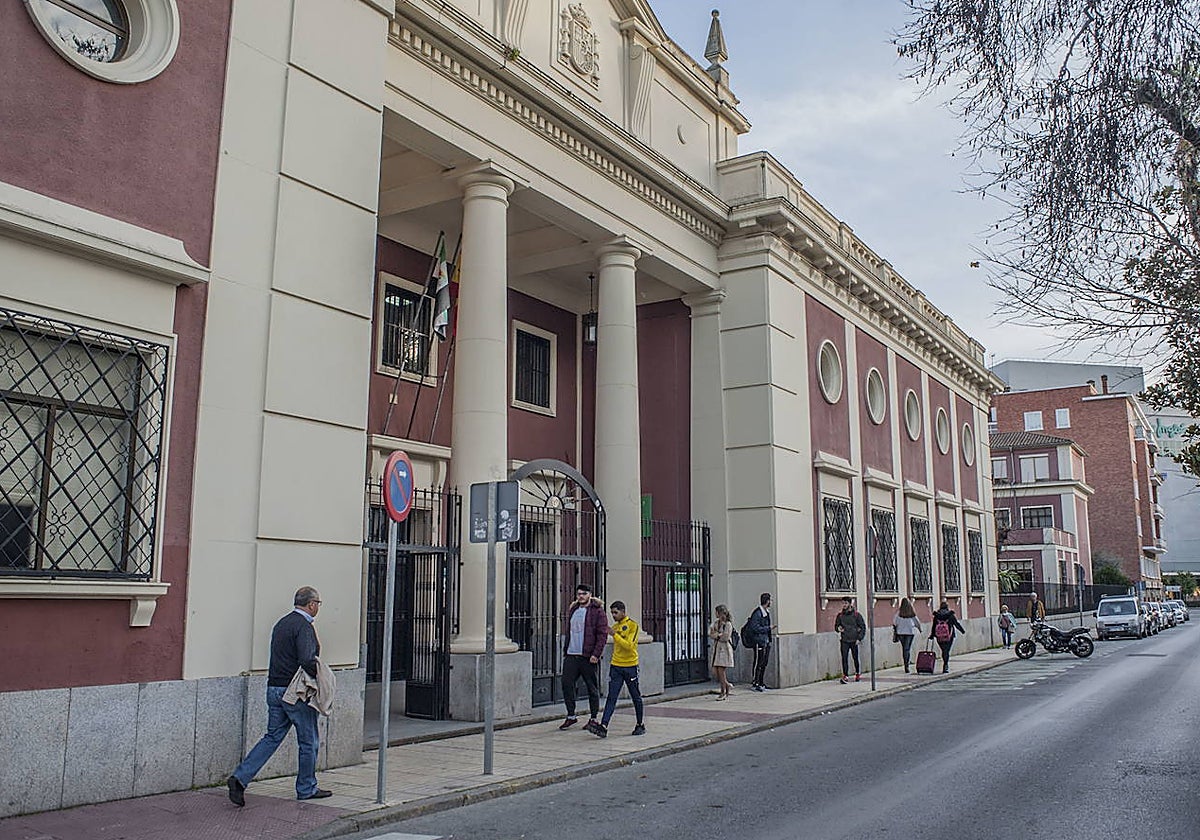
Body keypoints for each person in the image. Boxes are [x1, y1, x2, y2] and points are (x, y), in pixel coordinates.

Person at [228, 587, 331, 805]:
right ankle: (306, 788)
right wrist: (321, 676)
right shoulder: (304, 626)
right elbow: (306, 659)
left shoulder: (282, 623)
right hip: (294, 692)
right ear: (312, 604)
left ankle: (240, 778)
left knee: (272, 737)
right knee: (309, 741)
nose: (318, 608)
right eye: (318, 604)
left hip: (274, 688)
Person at [592, 601, 645, 738]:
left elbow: (629, 646)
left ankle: (640, 724)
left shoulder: (633, 626)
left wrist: (615, 635)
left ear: (623, 611)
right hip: (616, 666)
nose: (613, 616)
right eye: (612, 613)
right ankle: (604, 725)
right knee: (612, 696)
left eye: (616, 612)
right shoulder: (615, 627)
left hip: (630, 666)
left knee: (635, 696)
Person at [559, 583, 608, 732]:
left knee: (591, 687)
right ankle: (571, 715)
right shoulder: (573, 609)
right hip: (572, 654)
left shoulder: (597, 611)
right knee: (567, 684)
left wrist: (596, 654)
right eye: (579, 594)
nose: (581, 596)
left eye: (584, 594)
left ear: (590, 595)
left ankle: (593, 718)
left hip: (587, 656)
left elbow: (602, 634)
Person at [745, 593, 774, 692]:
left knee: (764, 662)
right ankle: (755, 682)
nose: (771, 602)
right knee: (758, 661)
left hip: (765, 641)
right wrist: (768, 628)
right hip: (759, 641)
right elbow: (755, 628)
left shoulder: (766, 612)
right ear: (767, 601)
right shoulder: (757, 613)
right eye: (770, 600)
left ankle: (761, 682)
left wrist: (769, 640)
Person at [929, 600, 967, 674]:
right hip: (949, 636)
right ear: (947, 607)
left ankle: (945, 662)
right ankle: (945, 665)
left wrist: (932, 635)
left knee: (943, 650)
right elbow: (956, 624)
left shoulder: (936, 616)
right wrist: (962, 630)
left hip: (939, 636)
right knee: (947, 650)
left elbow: (934, 627)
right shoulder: (950, 615)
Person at [834, 597, 866, 683]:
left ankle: (857, 673)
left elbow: (862, 627)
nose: (844, 605)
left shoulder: (856, 615)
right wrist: (838, 628)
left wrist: (859, 638)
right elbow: (836, 626)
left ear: (850, 604)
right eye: (843, 603)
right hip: (844, 640)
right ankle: (845, 675)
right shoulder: (840, 616)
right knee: (844, 658)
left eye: (845, 603)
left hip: (854, 640)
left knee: (855, 657)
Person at [708, 604, 735, 700]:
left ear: (720, 613)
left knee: (721, 671)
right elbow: (711, 633)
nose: (715, 614)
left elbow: (726, 637)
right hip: (717, 649)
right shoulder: (716, 623)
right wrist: (718, 635)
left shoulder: (728, 624)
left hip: (724, 650)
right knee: (715, 671)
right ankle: (727, 685)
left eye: (716, 612)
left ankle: (723, 691)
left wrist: (718, 635)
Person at [892, 597, 922, 673]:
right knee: (907, 648)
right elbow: (917, 622)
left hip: (901, 632)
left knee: (904, 648)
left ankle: (906, 664)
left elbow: (894, 622)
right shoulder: (911, 613)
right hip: (910, 632)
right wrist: (920, 629)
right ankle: (907, 665)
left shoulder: (899, 613)